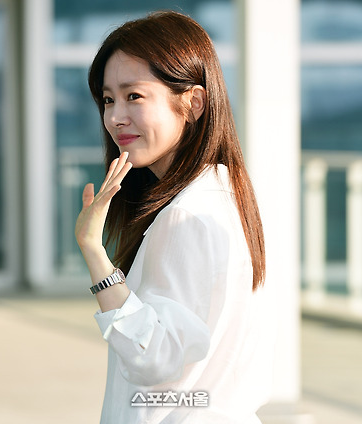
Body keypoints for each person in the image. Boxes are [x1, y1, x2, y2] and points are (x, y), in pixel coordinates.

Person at [75, 10, 274, 424]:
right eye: (108, 99)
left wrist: (94, 253)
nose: (115, 117)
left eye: (134, 96)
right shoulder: (220, 191)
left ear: (193, 102)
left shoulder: (188, 215)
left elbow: (154, 357)